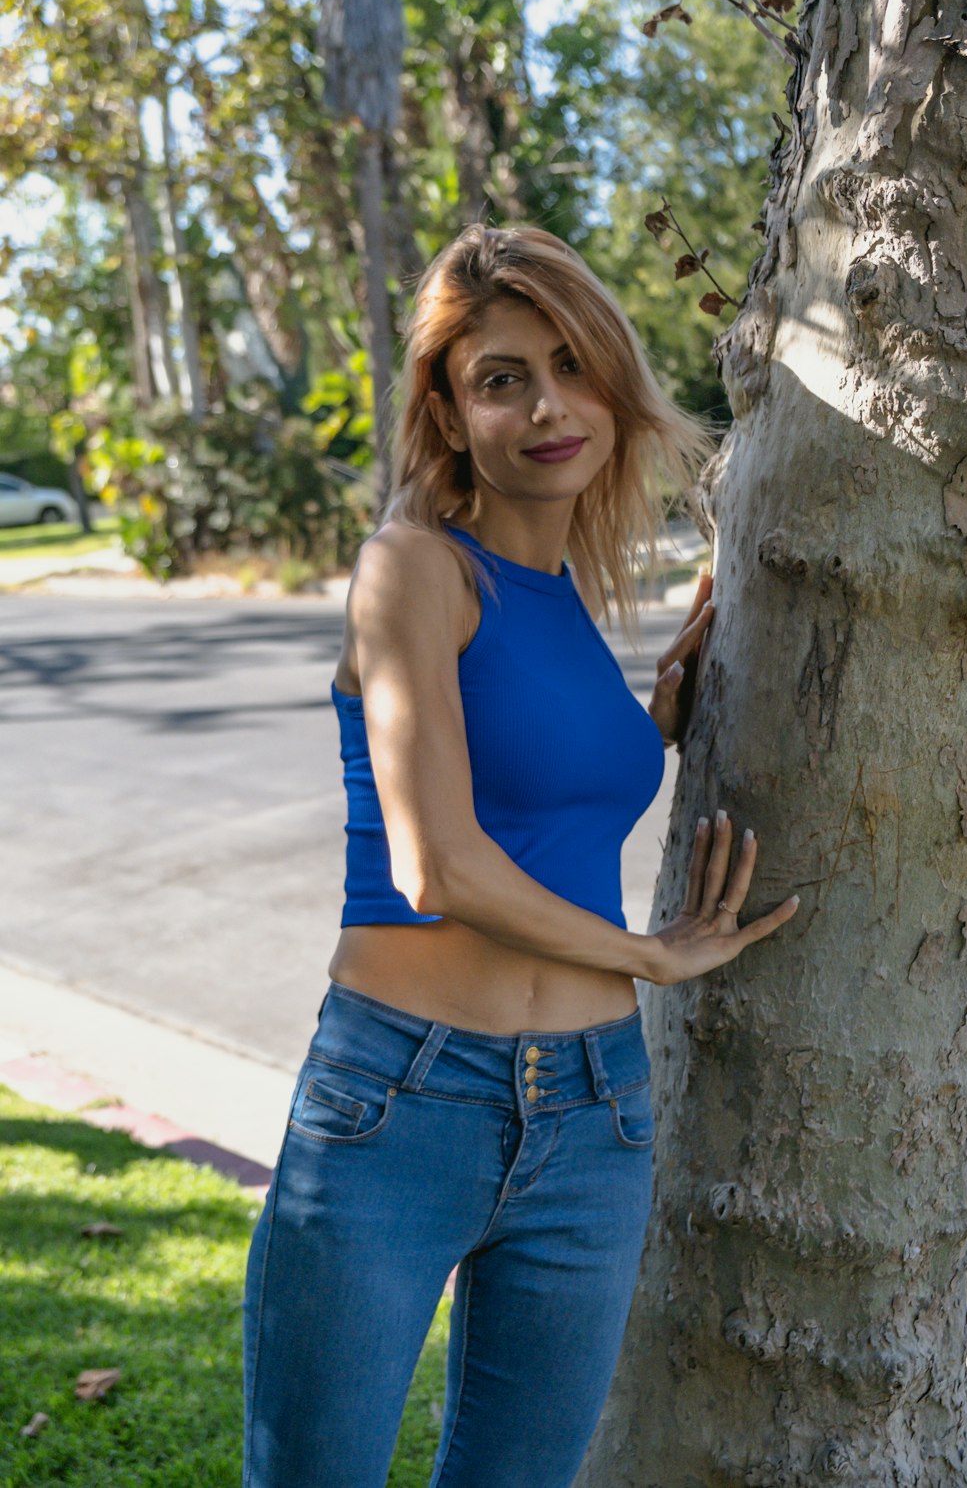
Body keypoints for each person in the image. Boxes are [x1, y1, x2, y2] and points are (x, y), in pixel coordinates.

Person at [241, 223, 798, 1488]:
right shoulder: (411, 570)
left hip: (594, 1118)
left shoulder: (563, 605)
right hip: (399, 1105)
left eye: (572, 365)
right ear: (446, 410)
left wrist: (647, 719)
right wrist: (650, 954)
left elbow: (544, 784)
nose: (549, 404)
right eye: (501, 378)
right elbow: (440, 866)